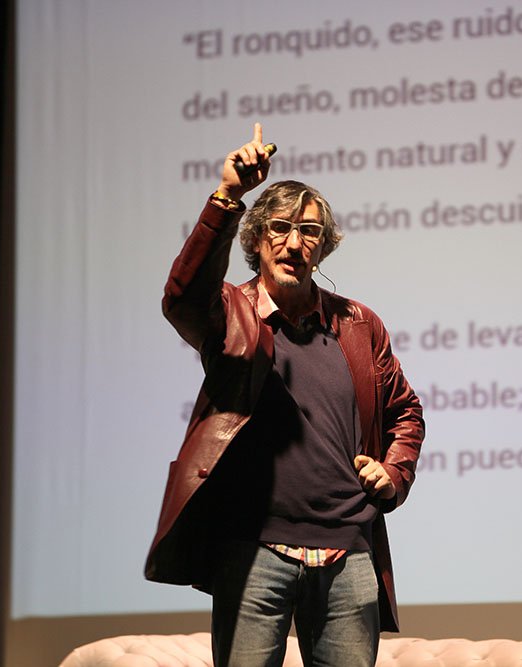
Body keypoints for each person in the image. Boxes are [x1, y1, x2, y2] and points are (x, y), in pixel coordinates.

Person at [144, 123, 425, 667]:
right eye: (279, 228)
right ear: (255, 239)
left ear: (324, 246)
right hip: (253, 553)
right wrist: (227, 196)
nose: (294, 243)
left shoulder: (359, 324)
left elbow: (405, 413)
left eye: (309, 231)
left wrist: (393, 471)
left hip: (349, 554)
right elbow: (182, 296)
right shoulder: (231, 313)